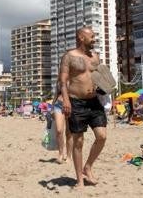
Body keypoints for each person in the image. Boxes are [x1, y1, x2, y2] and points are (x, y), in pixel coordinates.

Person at [59, 27, 106, 188]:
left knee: (102, 136)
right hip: (76, 102)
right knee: (78, 141)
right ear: (81, 37)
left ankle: (88, 166)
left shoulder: (95, 56)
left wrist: (104, 87)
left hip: (94, 102)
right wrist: (65, 100)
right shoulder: (69, 56)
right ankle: (79, 179)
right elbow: (63, 81)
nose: (94, 39)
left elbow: (101, 78)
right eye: (91, 36)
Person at [52, 92, 73, 164]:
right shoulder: (59, 80)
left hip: (72, 105)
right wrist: (52, 107)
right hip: (59, 104)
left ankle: (69, 156)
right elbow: (56, 93)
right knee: (59, 130)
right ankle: (61, 153)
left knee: (69, 133)